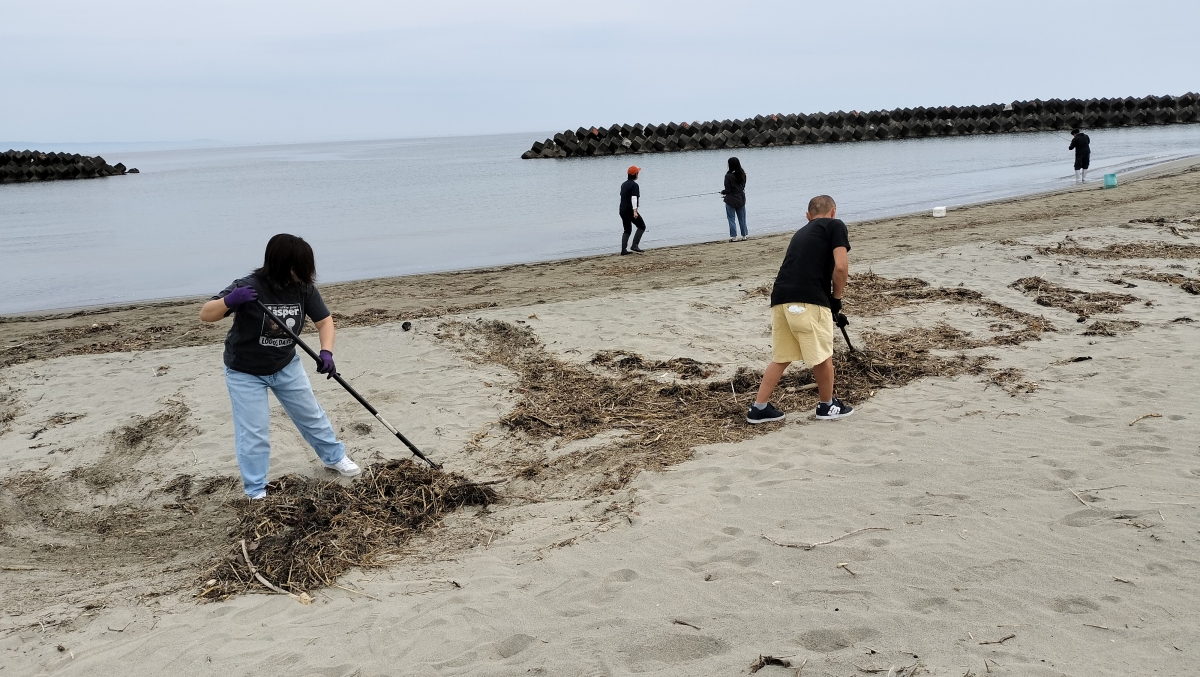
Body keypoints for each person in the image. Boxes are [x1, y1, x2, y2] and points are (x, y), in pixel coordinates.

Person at [199, 233, 361, 499]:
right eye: (300, 267)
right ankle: (256, 490)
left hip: (286, 365)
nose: (305, 273)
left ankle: (334, 458)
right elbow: (206, 314)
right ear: (282, 264)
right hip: (244, 371)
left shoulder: (304, 288)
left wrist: (326, 352)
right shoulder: (248, 286)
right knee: (254, 432)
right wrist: (230, 301)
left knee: (312, 415)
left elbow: (324, 321)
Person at [747, 195, 854, 424]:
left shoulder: (801, 232)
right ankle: (827, 406)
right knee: (823, 356)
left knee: (781, 357)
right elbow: (841, 267)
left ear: (808, 216)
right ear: (833, 211)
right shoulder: (835, 225)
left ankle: (758, 408)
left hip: (780, 299)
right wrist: (836, 299)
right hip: (809, 299)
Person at [619, 165, 647, 255]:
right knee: (642, 226)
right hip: (630, 210)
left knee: (627, 230)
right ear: (635, 174)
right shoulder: (634, 185)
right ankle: (635, 245)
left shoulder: (623, 184)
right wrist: (635, 211)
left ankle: (623, 250)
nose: (638, 174)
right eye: (637, 173)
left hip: (622, 210)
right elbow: (634, 198)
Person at [721, 157, 748, 241]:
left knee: (731, 219)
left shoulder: (728, 176)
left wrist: (723, 192)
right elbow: (742, 187)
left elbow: (728, 190)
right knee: (742, 218)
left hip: (731, 200)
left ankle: (734, 237)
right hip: (741, 199)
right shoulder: (742, 174)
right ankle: (744, 236)